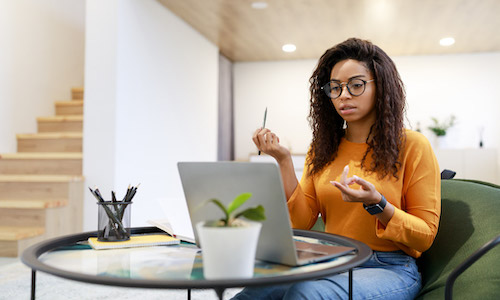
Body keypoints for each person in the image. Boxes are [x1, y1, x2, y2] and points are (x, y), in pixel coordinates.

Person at [232, 38, 441, 299]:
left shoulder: (413, 145)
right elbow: (301, 222)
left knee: (306, 292)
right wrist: (283, 161)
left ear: (382, 87)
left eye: (356, 85)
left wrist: (378, 204)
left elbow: (425, 236)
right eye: (335, 87)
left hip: (389, 268)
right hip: (333, 260)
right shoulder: (323, 148)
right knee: (256, 290)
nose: (343, 95)